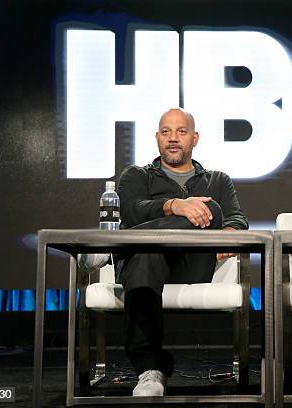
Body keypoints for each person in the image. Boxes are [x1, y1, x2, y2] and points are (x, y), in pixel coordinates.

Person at [79, 108, 248, 396]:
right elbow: (132, 211)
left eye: (181, 132)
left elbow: (236, 220)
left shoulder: (217, 180)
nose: (173, 138)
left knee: (213, 210)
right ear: (157, 137)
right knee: (147, 251)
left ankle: (111, 248)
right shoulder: (136, 175)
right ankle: (150, 371)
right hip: (144, 263)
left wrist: (226, 238)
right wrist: (175, 206)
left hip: (193, 263)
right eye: (166, 132)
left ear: (195, 138)